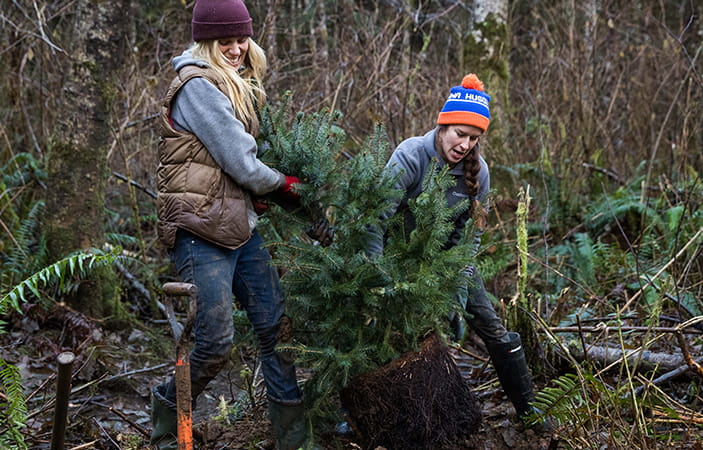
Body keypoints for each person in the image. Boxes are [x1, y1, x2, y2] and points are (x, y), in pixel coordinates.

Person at [152, 1, 314, 449]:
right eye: (226, 41)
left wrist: (254, 198)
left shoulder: (235, 84)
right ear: (206, 42)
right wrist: (283, 186)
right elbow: (242, 163)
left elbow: (225, 169)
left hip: (239, 228)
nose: (237, 48)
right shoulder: (197, 87)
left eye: (242, 39)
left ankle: (292, 440)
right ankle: (167, 421)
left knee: (274, 329)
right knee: (215, 342)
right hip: (200, 233)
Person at [366, 74, 542, 428]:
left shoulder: (481, 173)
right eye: (459, 134)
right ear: (443, 125)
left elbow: (469, 240)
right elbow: (374, 218)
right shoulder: (411, 155)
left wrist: (457, 296)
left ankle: (529, 410)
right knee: (383, 335)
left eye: (473, 138)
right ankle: (362, 412)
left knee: (493, 327)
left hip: (450, 260)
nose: (464, 144)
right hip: (398, 258)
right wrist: (377, 278)